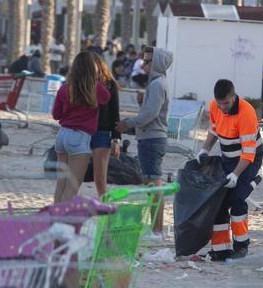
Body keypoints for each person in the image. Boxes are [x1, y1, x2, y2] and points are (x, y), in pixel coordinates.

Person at [195, 79, 263, 261]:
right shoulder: (214, 106)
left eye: (225, 103)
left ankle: (241, 247)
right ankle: (220, 249)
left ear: (233, 97)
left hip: (250, 159)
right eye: (219, 104)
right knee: (219, 200)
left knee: (237, 199)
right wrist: (204, 150)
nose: (222, 108)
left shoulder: (247, 113)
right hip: (228, 157)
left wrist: (235, 175)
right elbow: (214, 131)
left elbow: (248, 153)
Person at [118, 47, 174, 237]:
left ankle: (157, 230)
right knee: (152, 185)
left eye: (148, 61)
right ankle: (155, 229)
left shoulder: (157, 84)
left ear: (157, 63)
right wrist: (142, 102)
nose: (143, 64)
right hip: (150, 138)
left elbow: (149, 115)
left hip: (152, 139)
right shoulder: (156, 83)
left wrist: (127, 123)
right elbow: (149, 111)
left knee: (154, 185)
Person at [51, 50, 111, 204]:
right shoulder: (96, 88)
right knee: (72, 187)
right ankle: (63, 217)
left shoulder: (65, 88)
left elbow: (56, 114)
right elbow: (106, 98)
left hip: (62, 135)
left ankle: (55, 215)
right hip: (80, 137)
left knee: (60, 185)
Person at [90, 53, 122, 198]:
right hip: (83, 132)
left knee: (100, 179)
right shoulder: (82, 83)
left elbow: (115, 113)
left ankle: (105, 207)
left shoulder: (110, 85)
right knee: (75, 177)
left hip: (102, 132)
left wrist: (116, 139)